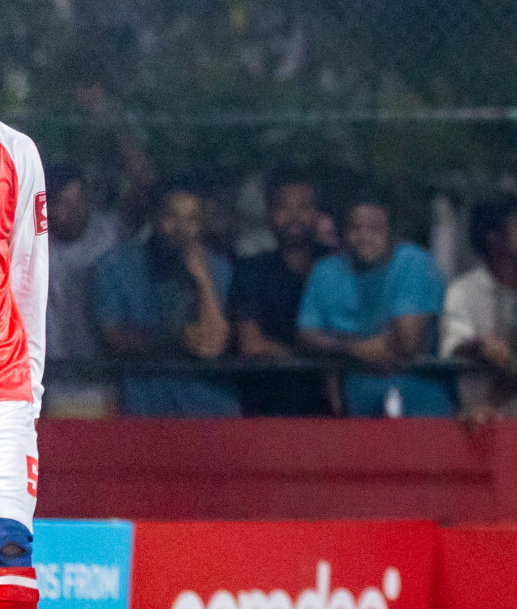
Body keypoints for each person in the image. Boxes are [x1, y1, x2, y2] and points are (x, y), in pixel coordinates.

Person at [297, 195, 452, 417]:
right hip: (354, 414)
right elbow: (305, 336)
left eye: (375, 229)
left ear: (392, 232)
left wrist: (334, 345)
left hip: (423, 412)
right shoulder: (325, 271)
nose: (364, 237)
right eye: (356, 229)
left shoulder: (414, 262)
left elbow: (406, 343)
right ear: (343, 233)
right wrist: (354, 348)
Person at [92, 185, 240, 417]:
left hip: (209, 412)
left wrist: (202, 279)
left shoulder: (219, 268)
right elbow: (113, 337)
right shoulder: (113, 266)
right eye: (172, 216)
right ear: (154, 216)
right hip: (144, 411)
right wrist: (175, 340)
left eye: (191, 220)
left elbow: (214, 341)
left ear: (202, 225)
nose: (181, 228)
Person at [0, 122, 49, 609]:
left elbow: (29, 279)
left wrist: (29, 390)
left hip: (4, 383)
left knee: (9, 542)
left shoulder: (17, 151)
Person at [230, 173, 331, 416]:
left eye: (303, 206)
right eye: (283, 207)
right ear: (269, 215)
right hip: (268, 410)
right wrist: (314, 359)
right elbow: (251, 344)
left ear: (317, 213)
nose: (293, 216)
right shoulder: (251, 270)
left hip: (333, 412)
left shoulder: (337, 265)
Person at [42, 161, 117, 416]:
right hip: (48, 383)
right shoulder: (27, 242)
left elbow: (147, 187)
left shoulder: (111, 233)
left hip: (103, 381)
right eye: (63, 202)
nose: (74, 210)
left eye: (78, 200)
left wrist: (112, 124)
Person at [441, 194, 517, 416]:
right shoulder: (463, 292)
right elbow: (453, 347)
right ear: (492, 235)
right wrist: (481, 347)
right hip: (479, 422)